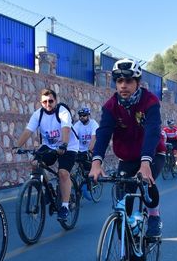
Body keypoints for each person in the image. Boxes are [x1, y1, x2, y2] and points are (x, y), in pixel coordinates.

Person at [89, 58, 164, 239]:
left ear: (137, 82)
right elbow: (104, 134)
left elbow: (153, 131)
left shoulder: (150, 102)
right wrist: (96, 163)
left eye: (128, 81)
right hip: (127, 157)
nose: (123, 85)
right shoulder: (110, 106)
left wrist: (146, 163)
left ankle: (154, 217)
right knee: (123, 204)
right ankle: (127, 252)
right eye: (119, 81)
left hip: (152, 153)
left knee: (147, 182)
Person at [14, 88, 79, 220]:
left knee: (63, 173)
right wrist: (17, 146)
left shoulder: (62, 111)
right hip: (49, 146)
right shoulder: (38, 114)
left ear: (56, 101)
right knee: (35, 164)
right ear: (41, 103)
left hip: (69, 146)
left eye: (50, 101)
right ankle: (46, 192)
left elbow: (65, 128)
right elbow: (28, 131)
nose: (48, 105)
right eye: (44, 102)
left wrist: (64, 144)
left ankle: (65, 206)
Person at [72, 107, 99, 200]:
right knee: (80, 166)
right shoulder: (77, 125)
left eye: (84, 115)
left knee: (89, 167)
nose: (82, 117)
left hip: (91, 148)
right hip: (80, 149)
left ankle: (93, 181)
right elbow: (73, 136)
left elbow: (93, 138)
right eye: (80, 116)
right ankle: (81, 185)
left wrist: (89, 150)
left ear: (88, 116)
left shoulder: (93, 124)